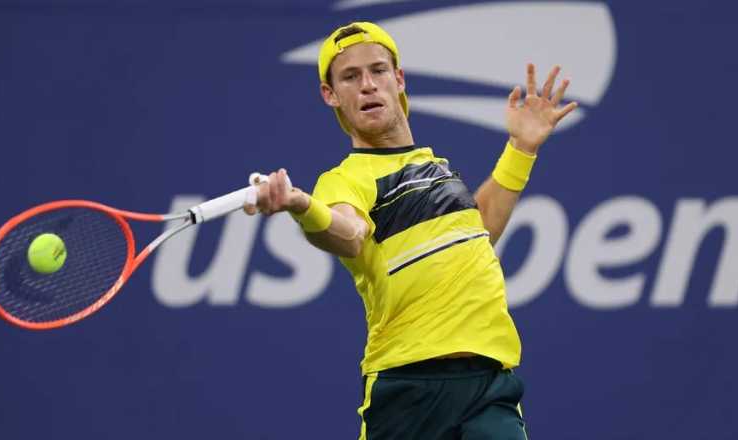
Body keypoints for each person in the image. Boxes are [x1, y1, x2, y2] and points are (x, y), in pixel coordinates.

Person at [243, 22, 577, 440]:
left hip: (490, 382)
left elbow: (481, 230)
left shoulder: (436, 167)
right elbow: (348, 233)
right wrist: (301, 204)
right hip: (407, 390)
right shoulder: (345, 179)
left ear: (398, 79)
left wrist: (521, 148)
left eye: (378, 71)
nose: (368, 85)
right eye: (350, 76)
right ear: (331, 95)